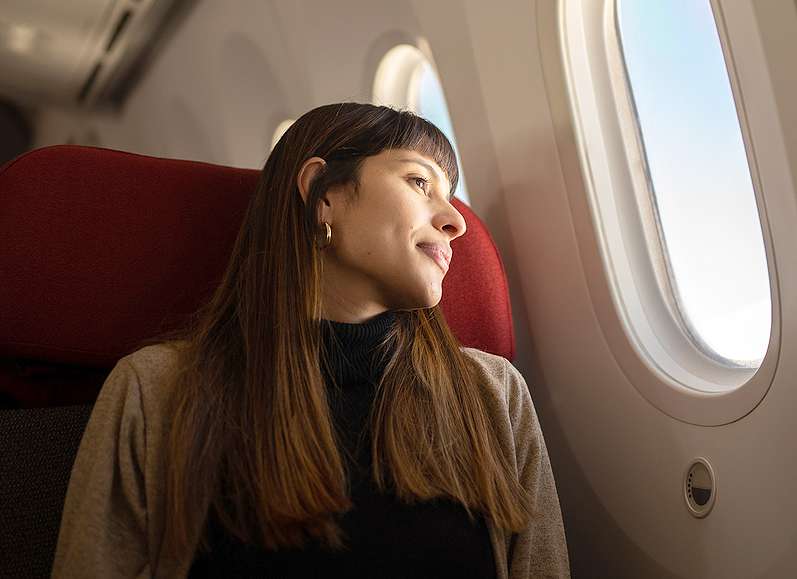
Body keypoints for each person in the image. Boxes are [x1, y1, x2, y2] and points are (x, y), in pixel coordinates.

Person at [51, 102, 569, 578]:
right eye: (419, 181)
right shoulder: (157, 392)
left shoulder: (494, 395)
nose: (457, 222)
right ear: (324, 196)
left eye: (450, 195)